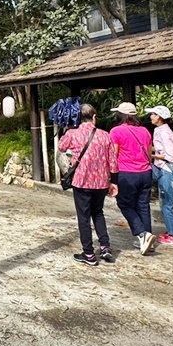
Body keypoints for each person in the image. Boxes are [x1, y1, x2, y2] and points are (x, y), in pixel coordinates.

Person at [59, 104, 119, 266]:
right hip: (101, 182)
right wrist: (114, 182)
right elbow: (113, 161)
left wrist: (69, 129)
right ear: (93, 117)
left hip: (81, 181)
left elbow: (61, 147)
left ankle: (89, 254)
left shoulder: (73, 133)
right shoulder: (105, 135)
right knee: (98, 213)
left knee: (84, 217)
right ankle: (105, 247)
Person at [109, 102, 156, 255]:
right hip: (146, 172)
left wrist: (110, 176)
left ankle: (143, 234)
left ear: (120, 115)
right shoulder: (145, 131)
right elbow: (149, 154)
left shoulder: (116, 131)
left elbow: (113, 155)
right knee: (143, 205)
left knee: (125, 205)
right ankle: (147, 240)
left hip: (126, 173)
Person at [146, 105, 173, 246]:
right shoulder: (161, 130)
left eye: (154, 114)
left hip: (167, 171)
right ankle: (171, 231)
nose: (151, 117)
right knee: (165, 204)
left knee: (167, 205)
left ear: (160, 117)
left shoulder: (164, 132)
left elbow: (170, 156)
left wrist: (151, 155)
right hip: (164, 169)